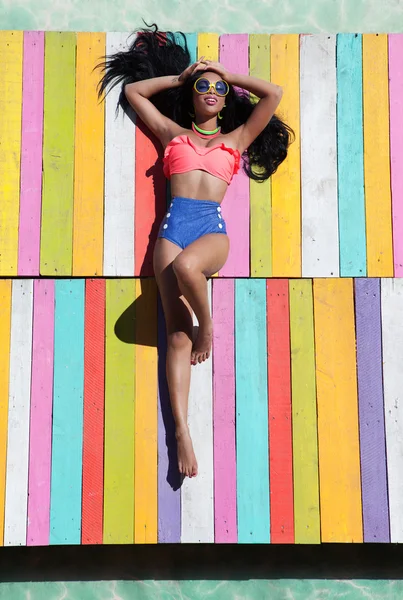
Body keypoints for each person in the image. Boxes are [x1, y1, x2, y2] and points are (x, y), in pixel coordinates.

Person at [98, 25, 293, 479]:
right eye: (203, 87)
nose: (210, 90)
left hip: (209, 229)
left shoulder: (236, 140)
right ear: (192, 96)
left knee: (189, 270)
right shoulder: (172, 135)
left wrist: (227, 72)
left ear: (226, 100)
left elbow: (274, 94)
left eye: (217, 88)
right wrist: (183, 78)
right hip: (171, 228)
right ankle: (181, 432)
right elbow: (133, 92)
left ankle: (209, 328)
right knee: (175, 337)